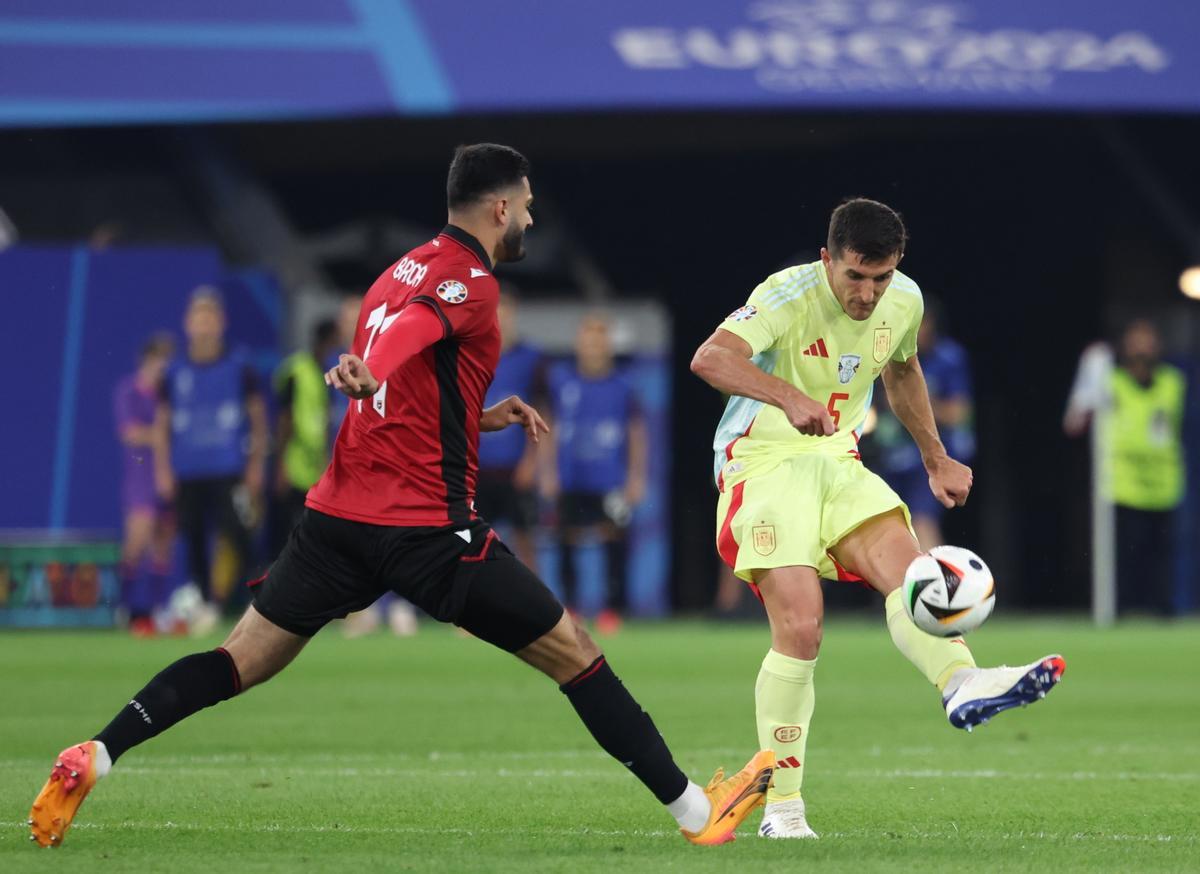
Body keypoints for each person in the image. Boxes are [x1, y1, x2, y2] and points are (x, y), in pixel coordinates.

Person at [29, 143, 771, 849]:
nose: (534, 221)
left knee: (236, 661)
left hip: (335, 523)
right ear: (500, 210)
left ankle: (98, 751)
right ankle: (698, 812)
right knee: (574, 654)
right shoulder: (470, 281)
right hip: (425, 533)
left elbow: (407, 388)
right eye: (529, 207)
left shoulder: (392, 276)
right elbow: (407, 344)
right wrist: (371, 367)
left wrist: (479, 413)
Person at [690, 198, 1065, 840]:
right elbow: (710, 359)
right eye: (855, 276)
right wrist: (787, 395)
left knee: (917, 574)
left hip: (837, 458)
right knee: (802, 629)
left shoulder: (905, 301)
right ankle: (782, 809)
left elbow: (904, 370)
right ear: (827, 259)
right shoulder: (786, 293)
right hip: (761, 460)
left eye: (881, 277)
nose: (867, 294)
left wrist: (936, 456)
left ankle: (962, 681)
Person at [155, 288, 268, 623]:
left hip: (229, 467)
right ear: (188, 324)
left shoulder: (239, 365)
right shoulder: (174, 371)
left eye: (210, 318)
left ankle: (262, 604)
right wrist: (162, 469)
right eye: (198, 319)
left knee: (240, 534)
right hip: (188, 469)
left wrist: (256, 463)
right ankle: (205, 604)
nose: (203, 326)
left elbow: (258, 417)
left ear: (221, 322)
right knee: (191, 538)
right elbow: (162, 423)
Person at [1064, 319, 1186, 615]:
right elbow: (1075, 423)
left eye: (1148, 340)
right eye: (1136, 340)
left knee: (1163, 560)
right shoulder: (1109, 381)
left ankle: (1165, 616)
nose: (1142, 347)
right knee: (1125, 559)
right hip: (1123, 485)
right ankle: (1120, 613)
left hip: (1164, 485)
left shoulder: (1173, 381)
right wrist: (1089, 377)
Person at [543, 314, 647, 635]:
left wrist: (636, 476)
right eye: (588, 340)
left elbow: (636, 432)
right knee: (567, 541)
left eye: (599, 341)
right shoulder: (562, 381)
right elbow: (550, 427)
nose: (593, 347)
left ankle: (612, 610)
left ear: (608, 347)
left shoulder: (623, 386)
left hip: (610, 479)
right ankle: (571, 608)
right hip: (572, 476)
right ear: (579, 345)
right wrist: (547, 471)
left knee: (614, 541)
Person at [871, 298, 975, 548]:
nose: (915, 330)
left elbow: (959, 414)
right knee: (882, 524)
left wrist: (917, 403)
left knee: (922, 520)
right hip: (890, 454)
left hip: (931, 455)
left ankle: (937, 585)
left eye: (920, 323)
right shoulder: (884, 350)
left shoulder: (950, 358)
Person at [113, 333, 177, 636]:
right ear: (147, 361)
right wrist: (161, 435)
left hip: (168, 474)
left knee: (163, 544)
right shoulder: (129, 391)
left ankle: (156, 611)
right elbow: (130, 433)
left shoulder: (169, 395)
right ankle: (122, 606)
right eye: (159, 361)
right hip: (141, 478)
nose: (163, 368)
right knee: (137, 541)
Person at [475, 288, 544, 569]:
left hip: (515, 471)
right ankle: (474, 605)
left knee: (525, 539)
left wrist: (532, 462)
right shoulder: (471, 357)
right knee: (473, 542)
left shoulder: (531, 359)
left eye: (504, 312)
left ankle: (538, 609)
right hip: (476, 470)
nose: (499, 319)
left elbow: (542, 413)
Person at [271, 318, 340, 555]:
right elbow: (285, 418)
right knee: (285, 533)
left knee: (311, 531)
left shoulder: (326, 374)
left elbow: (323, 421)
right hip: (292, 464)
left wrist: (325, 459)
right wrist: (280, 464)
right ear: (327, 341)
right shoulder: (297, 371)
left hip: (314, 468)